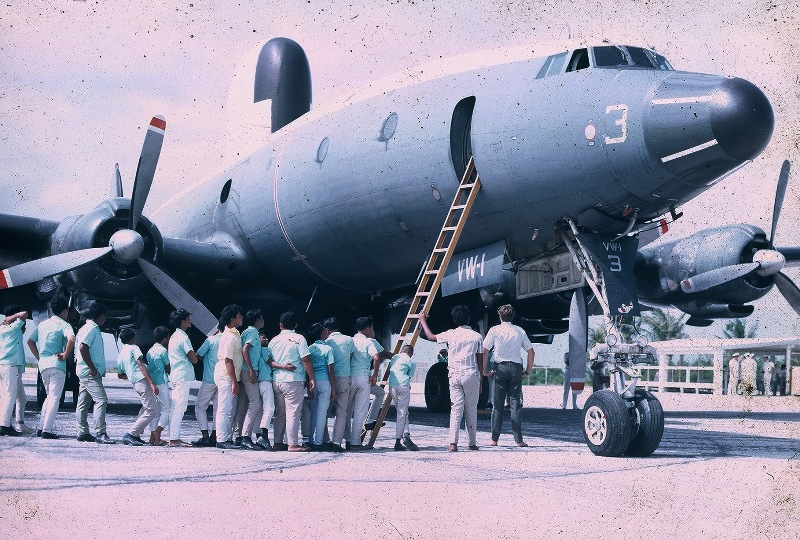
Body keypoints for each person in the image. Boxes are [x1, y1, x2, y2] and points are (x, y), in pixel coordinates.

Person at [419, 306, 484, 452]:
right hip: (471, 374)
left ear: (454, 320)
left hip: (454, 375)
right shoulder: (477, 337)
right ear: (469, 318)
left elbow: (430, 336)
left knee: (456, 409)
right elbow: (480, 362)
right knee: (471, 409)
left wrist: (423, 321)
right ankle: (472, 443)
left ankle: (453, 443)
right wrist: (481, 381)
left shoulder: (450, 334)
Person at [482, 304, 534, 448]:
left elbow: (485, 350)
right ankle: (518, 440)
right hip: (516, 368)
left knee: (497, 405)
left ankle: (494, 439)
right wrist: (528, 371)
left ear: (499, 316)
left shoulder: (494, 330)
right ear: (513, 316)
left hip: (500, 368)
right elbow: (531, 352)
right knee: (515, 405)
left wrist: (485, 371)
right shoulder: (519, 330)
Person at [27, 297, 74, 439]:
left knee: (49, 397)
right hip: (57, 365)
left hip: (44, 366)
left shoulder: (42, 324)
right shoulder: (64, 324)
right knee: (54, 398)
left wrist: (39, 358)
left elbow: (30, 342)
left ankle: (41, 427)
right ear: (65, 311)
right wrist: (65, 354)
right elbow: (71, 339)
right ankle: (47, 430)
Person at [269, 311, 316, 452]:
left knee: (280, 413)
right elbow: (305, 359)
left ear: (280, 325)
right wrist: (311, 378)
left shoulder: (274, 340)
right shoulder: (299, 338)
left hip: (277, 380)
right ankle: (293, 444)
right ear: (296, 325)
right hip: (293, 380)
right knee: (293, 412)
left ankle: (278, 442)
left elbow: (269, 360)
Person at [74, 302, 115, 443]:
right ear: (101, 316)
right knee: (101, 400)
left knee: (83, 403)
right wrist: (92, 368)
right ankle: (100, 433)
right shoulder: (91, 329)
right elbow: (83, 347)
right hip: (90, 373)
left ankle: (82, 432)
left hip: (83, 371)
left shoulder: (85, 328)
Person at [347, 316, 388, 451]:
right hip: (364, 378)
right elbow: (378, 356)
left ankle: (346, 440)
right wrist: (375, 375)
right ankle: (356, 442)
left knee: (346, 411)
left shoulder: (350, 341)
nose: (373, 331)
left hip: (350, 378)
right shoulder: (370, 341)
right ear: (367, 329)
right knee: (360, 411)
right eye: (372, 328)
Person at [116, 328, 159, 446]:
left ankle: (136, 434)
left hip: (135, 383)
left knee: (146, 408)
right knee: (152, 411)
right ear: (132, 339)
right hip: (142, 381)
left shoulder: (121, 354)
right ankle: (131, 434)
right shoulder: (134, 348)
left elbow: (120, 375)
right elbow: (140, 364)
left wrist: (131, 374)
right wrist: (151, 382)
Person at [167, 308, 199, 448]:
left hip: (176, 375)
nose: (190, 320)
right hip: (182, 377)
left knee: (175, 407)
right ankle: (174, 439)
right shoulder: (183, 337)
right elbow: (194, 359)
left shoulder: (174, 336)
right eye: (188, 319)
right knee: (180, 407)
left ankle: (173, 437)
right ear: (182, 321)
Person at [233, 309, 264, 450]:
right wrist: (251, 370)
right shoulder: (253, 333)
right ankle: (246, 436)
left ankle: (238, 436)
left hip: (243, 370)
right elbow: (245, 350)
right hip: (249, 371)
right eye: (262, 319)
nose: (263, 321)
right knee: (256, 403)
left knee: (243, 403)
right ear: (258, 320)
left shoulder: (245, 332)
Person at [214, 304, 244, 449]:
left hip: (229, 375)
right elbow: (228, 360)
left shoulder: (234, 334)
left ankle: (226, 437)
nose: (241, 317)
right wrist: (234, 382)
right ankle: (221, 439)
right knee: (224, 408)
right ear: (233, 319)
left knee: (229, 408)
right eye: (239, 316)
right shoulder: (229, 337)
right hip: (226, 375)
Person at [322, 317, 353, 452]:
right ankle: (337, 442)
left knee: (324, 410)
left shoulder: (326, 342)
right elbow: (350, 357)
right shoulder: (349, 339)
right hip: (345, 377)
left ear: (327, 330)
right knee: (342, 411)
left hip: (329, 378)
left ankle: (325, 439)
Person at [306, 323, 335, 451]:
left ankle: (310, 440)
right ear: (322, 333)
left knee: (313, 412)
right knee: (322, 413)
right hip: (325, 381)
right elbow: (330, 370)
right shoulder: (328, 349)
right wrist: (334, 389)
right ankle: (318, 442)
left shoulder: (310, 348)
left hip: (313, 381)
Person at [0, 305, 29, 437]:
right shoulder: (14, 327)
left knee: (16, 397)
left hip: (5, 366)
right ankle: (4, 426)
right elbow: (24, 313)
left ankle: (13, 423)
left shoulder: (2, 328)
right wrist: (13, 317)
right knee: (9, 395)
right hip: (11, 366)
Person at [192, 324, 223, 447]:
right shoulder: (230, 339)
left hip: (209, 378)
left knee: (200, 407)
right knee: (218, 409)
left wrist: (207, 360)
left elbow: (199, 354)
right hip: (222, 379)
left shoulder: (211, 340)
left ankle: (205, 436)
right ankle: (214, 436)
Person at [388, 344, 418, 451]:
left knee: (403, 413)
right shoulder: (411, 362)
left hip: (392, 387)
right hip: (403, 387)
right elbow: (409, 376)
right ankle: (398, 442)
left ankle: (406, 435)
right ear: (410, 353)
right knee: (401, 414)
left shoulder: (394, 357)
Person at [146, 326, 171, 446]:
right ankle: (158, 432)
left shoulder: (150, 351)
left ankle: (152, 437)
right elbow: (168, 366)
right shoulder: (163, 351)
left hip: (152, 383)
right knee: (167, 408)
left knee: (156, 410)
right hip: (161, 381)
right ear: (165, 339)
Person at [254, 329, 275, 450]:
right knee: (269, 408)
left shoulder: (255, 352)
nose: (266, 339)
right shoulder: (265, 350)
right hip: (266, 381)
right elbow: (271, 363)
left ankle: (258, 436)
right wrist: (284, 366)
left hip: (258, 382)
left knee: (260, 411)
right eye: (263, 338)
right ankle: (263, 435)